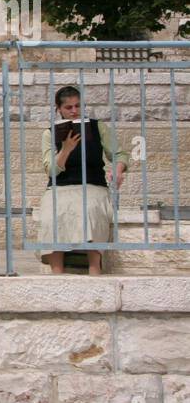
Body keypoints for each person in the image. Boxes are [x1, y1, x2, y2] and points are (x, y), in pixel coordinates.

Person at [38, 85, 128, 275]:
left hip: (92, 184)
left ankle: (94, 269)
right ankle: (57, 271)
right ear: (59, 109)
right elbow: (51, 171)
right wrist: (66, 149)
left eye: (78, 106)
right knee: (52, 214)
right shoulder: (49, 134)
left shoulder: (97, 127)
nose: (74, 111)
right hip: (60, 187)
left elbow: (119, 154)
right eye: (68, 107)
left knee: (90, 209)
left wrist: (117, 170)